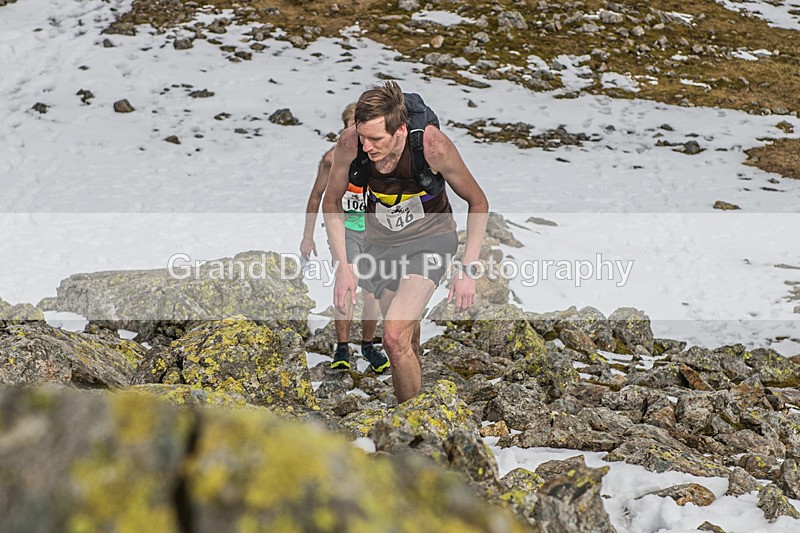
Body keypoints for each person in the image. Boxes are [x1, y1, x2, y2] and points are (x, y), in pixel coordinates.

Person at [322, 82, 488, 403]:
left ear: (400, 129)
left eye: (376, 139)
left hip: (431, 239)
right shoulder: (351, 144)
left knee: (394, 336)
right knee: (404, 339)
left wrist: (467, 269)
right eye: (362, 136)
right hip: (380, 245)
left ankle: (413, 427)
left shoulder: (431, 147)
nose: (366, 148)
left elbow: (478, 201)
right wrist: (344, 266)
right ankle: (416, 403)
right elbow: (331, 202)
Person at [300, 103, 390, 373]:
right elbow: (316, 196)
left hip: (375, 231)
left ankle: (367, 344)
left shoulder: (379, 155)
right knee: (346, 283)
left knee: (372, 290)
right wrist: (307, 236)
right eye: (353, 124)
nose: (358, 131)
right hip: (344, 229)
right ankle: (341, 346)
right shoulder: (332, 158)